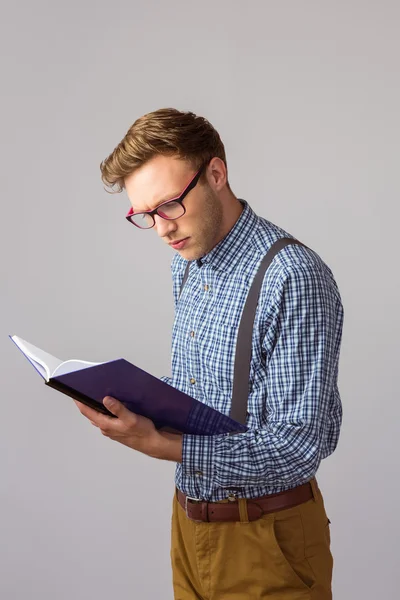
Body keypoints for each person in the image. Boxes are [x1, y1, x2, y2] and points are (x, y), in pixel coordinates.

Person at [75, 108, 344, 599]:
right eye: (145, 215)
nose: (161, 229)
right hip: (189, 524)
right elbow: (205, 397)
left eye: (169, 205)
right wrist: (131, 403)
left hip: (266, 537)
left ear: (216, 175)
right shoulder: (189, 263)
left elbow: (298, 447)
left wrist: (162, 445)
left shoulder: (293, 278)